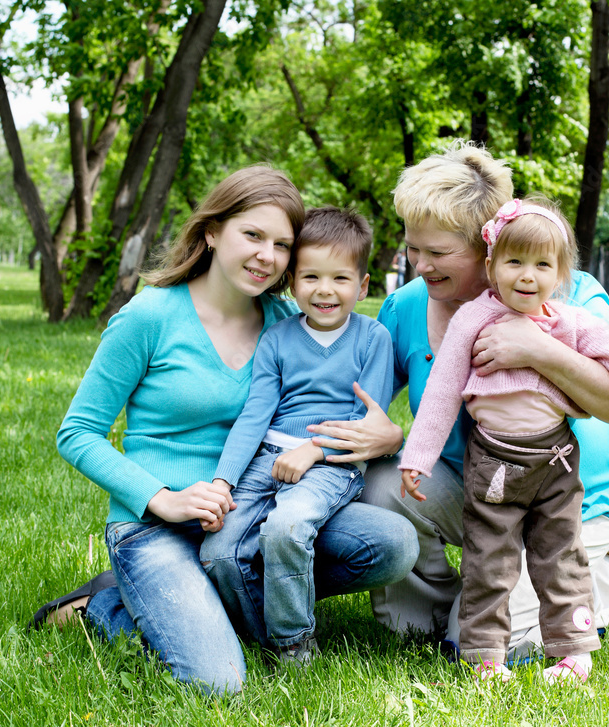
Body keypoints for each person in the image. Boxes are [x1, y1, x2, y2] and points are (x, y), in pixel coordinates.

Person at [34, 168, 418, 697]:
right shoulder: (149, 316)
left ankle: (212, 599)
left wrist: (390, 439)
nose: (267, 256)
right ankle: (102, 605)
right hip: (159, 526)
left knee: (390, 544)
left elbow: (353, 407)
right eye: (252, 235)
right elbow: (77, 433)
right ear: (212, 231)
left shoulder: (286, 320)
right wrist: (163, 499)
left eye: (282, 244)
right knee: (217, 682)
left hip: (258, 508)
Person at [302, 141, 609, 672]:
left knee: (501, 646)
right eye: (413, 249)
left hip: (561, 502)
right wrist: (384, 435)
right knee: (382, 484)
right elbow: (356, 397)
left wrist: (539, 350)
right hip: (480, 493)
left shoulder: (568, 293)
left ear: (486, 247)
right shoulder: (408, 306)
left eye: (438, 253)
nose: (420, 266)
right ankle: (443, 608)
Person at [398, 196, 609, 683]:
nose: (527, 276)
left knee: (558, 555)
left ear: (560, 273)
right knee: (488, 559)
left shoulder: (569, 321)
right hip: (494, 466)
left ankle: (574, 649)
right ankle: (484, 656)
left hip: (556, 464)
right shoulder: (472, 319)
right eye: (514, 263)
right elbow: (442, 391)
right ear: (491, 266)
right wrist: (417, 456)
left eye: (542, 265)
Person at [201, 207, 393, 666]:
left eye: (340, 278)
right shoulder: (277, 338)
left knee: (285, 529)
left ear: (363, 286)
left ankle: (292, 646)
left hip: (333, 463)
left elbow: (366, 421)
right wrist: (224, 482)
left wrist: (313, 451)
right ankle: (261, 635)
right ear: (291, 282)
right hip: (267, 457)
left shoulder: (373, 338)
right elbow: (255, 416)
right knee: (219, 552)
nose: (325, 290)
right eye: (311, 277)